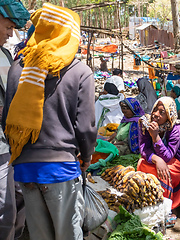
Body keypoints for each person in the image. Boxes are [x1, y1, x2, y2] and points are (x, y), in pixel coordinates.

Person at [3, 3, 97, 240]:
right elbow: (85, 127)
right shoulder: (79, 71)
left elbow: (8, 121)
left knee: (40, 236)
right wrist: (86, 158)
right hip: (60, 169)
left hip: (25, 169)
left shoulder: (18, 68)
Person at [0, 1, 29, 239]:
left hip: (10, 145)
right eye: (8, 27)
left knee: (17, 201)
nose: (11, 34)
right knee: (5, 211)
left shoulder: (5, 55)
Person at [137, 97, 180, 209]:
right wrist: (156, 159)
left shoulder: (176, 128)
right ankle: (146, 199)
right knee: (141, 163)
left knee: (162, 171)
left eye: (162, 112)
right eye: (155, 110)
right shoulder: (145, 123)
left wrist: (156, 137)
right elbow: (143, 148)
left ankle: (165, 206)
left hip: (178, 160)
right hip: (158, 158)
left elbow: (168, 156)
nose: (156, 115)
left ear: (169, 115)